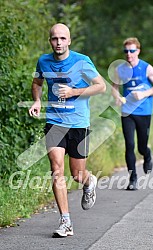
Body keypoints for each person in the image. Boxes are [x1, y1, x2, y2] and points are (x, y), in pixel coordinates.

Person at [29, 23, 106, 237]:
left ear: (69, 41)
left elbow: (101, 86)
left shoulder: (82, 61)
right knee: (56, 168)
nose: (58, 43)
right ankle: (66, 222)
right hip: (55, 120)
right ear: (50, 40)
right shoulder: (43, 61)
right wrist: (36, 101)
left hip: (79, 123)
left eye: (62, 39)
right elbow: (37, 83)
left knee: (77, 174)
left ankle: (89, 181)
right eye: (54, 39)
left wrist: (73, 91)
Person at [112, 37, 153, 190]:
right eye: (126, 51)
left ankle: (147, 154)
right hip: (127, 111)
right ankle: (132, 178)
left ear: (138, 51)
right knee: (129, 145)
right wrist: (118, 98)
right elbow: (114, 88)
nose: (129, 54)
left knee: (141, 146)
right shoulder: (120, 69)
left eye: (132, 51)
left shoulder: (146, 68)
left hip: (144, 111)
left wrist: (145, 94)